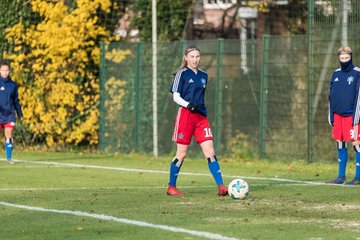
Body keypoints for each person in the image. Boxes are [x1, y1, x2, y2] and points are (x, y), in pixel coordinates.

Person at [166, 45, 228, 197]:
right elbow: (176, 96)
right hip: (186, 116)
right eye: (192, 56)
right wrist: (188, 105)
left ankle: (221, 186)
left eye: (197, 56)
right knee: (181, 154)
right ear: (186, 58)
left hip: (201, 118)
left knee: (210, 152)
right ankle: (171, 187)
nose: (195, 59)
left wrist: (197, 107)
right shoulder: (181, 74)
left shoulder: (204, 75)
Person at [327, 46, 360, 185]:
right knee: (340, 144)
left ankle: (358, 177)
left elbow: (359, 96)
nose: (344, 60)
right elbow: (331, 96)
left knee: (357, 145)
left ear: (351, 57)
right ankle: (341, 177)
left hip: (352, 116)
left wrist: (356, 117)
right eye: (342, 58)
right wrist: (331, 116)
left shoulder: (357, 72)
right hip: (338, 116)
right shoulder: (336, 74)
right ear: (339, 58)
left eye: (347, 58)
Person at [0, 60, 23, 164]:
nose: (5, 72)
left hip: (9, 114)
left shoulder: (13, 85)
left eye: (7, 70)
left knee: (8, 134)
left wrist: (20, 113)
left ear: (9, 71)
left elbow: (16, 101)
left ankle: (9, 158)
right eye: (3, 70)